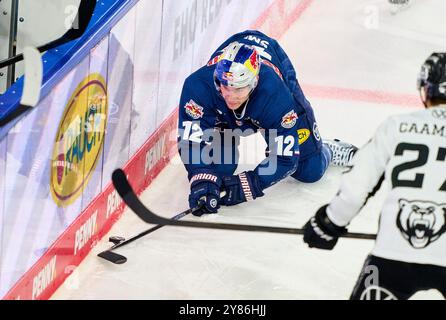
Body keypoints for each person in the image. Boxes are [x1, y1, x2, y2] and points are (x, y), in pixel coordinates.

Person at [303, 52, 446, 300]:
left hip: (395, 255)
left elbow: (356, 188)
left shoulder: (397, 126)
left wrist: (329, 223)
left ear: (425, 89)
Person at [178, 30, 357, 217]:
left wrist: (250, 183)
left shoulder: (276, 95)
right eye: (224, 85)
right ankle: (226, 139)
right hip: (224, 116)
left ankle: (325, 148)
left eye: (238, 88)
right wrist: (201, 177)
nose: (230, 95)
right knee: (218, 170)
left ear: (253, 83)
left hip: (273, 74)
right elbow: (191, 141)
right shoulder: (198, 86)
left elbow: (284, 158)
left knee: (310, 170)